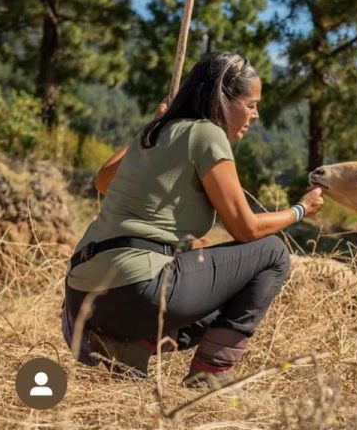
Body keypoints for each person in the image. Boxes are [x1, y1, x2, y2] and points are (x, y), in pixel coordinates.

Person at [61, 52, 323, 387]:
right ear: (222, 98)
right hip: (138, 290)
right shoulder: (207, 134)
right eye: (250, 103)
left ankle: (128, 345)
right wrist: (300, 209)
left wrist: (156, 123)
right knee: (271, 253)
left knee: (223, 291)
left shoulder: (152, 133)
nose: (255, 115)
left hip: (82, 296)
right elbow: (245, 228)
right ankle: (209, 374)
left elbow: (102, 181)